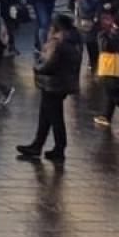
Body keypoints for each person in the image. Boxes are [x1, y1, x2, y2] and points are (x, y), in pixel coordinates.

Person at [19, 13, 84, 161]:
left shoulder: (58, 42)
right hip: (63, 82)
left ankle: (58, 148)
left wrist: (37, 67)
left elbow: (49, 63)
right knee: (46, 116)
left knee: (55, 117)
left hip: (53, 83)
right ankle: (38, 145)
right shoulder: (74, 39)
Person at [73, 0, 104, 69]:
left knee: (92, 48)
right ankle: (89, 65)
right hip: (80, 25)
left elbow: (87, 8)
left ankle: (94, 66)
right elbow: (71, 5)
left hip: (89, 27)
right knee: (80, 49)